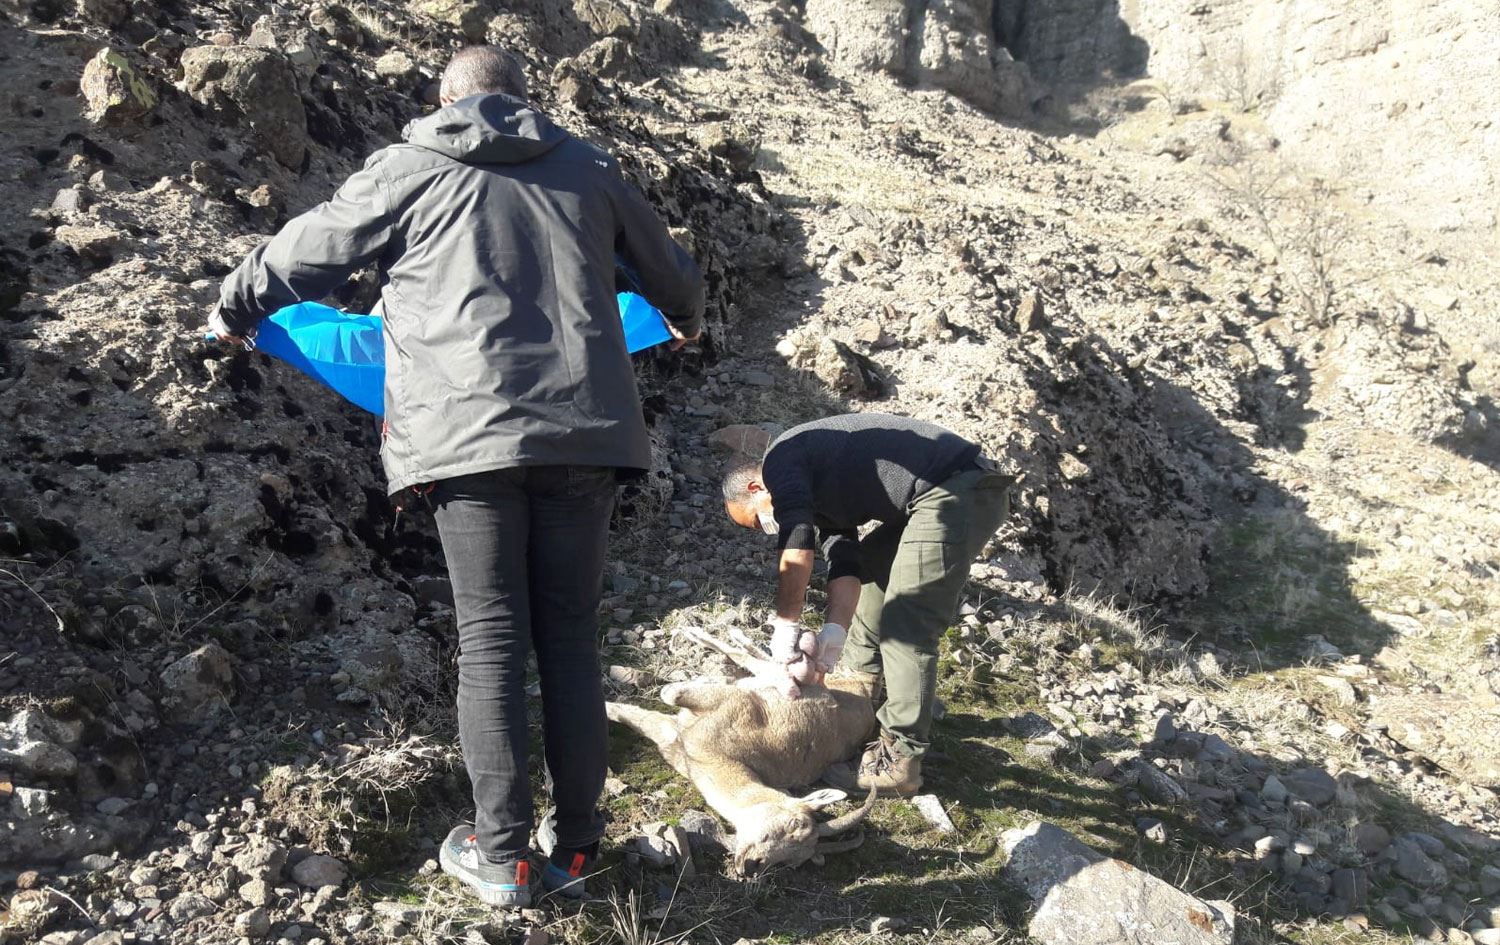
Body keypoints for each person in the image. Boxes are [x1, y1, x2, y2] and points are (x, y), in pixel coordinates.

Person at [210, 46, 705, 906]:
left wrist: (233, 307)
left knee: (491, 639)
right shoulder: (589, 168)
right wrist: (686, 317)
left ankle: (503, 856)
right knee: (571, 636)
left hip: (463, 441)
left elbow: (306, 252)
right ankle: (577, 848)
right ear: (526, 98)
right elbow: (669, 272)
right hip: (584, 436)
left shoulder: (408, 166)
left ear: (444, 100)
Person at [721, 413, 1012, 796]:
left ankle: (900, 761)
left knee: (906, 621)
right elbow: (845, 562)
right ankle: (862, 693)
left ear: (756, 486)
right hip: (949, 488)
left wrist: (786, 624)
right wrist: (835, 632)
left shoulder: (781, 460)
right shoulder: (818, 489)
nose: (766, 528)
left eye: (758, 522)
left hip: (959, 488)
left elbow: (797, 545)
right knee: (873, 565)